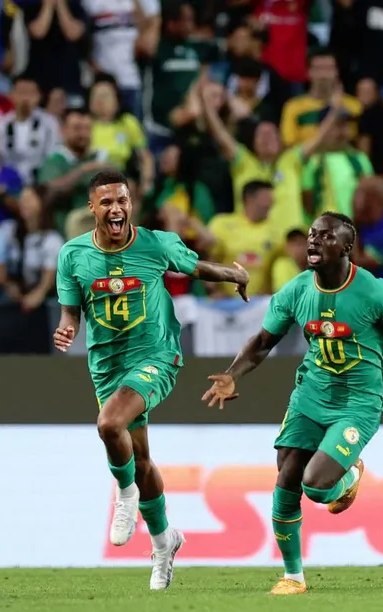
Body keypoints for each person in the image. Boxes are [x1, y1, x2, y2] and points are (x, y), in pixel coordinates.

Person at [200, 212, 383, 595]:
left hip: (359, 401)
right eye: (312, 234)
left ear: (347, 247)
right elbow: (264, 341)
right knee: (286, 476)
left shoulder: (373, 292)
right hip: (311, 394)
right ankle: (293, 576)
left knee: (315, 485)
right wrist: (234, 374)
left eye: (327, 236)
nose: (314, 241)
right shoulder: (297, 290)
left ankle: (348, 477)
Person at [53, 170, 250, 590]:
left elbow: (197, 268)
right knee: (140, 459)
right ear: (92, 208)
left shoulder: (156, 244)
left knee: (109, 424)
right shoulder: (72, 255)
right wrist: (67, 328)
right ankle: (164, 542)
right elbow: (71, 311)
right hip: (106, 365)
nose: (116, 208)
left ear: (131, 204)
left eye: (122, 200)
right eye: (107, 202)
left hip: (155, 355)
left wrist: (235, 275)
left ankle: (123, 496)